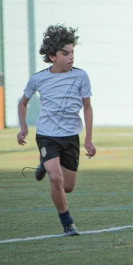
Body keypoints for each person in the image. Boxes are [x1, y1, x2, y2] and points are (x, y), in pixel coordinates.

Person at [17, 25, 96, 236]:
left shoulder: (81, 76)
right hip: (46, 136)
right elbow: (22, 103)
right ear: (52, 56)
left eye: (72, 53)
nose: (71, 57)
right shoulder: (38, 79)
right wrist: (24, 128)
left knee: (67, 186)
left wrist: (88, 139)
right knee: (55, 178)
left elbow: (87, 107)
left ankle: (45, 163)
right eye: (65, 53)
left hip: (70, 137)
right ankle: (67, 223)